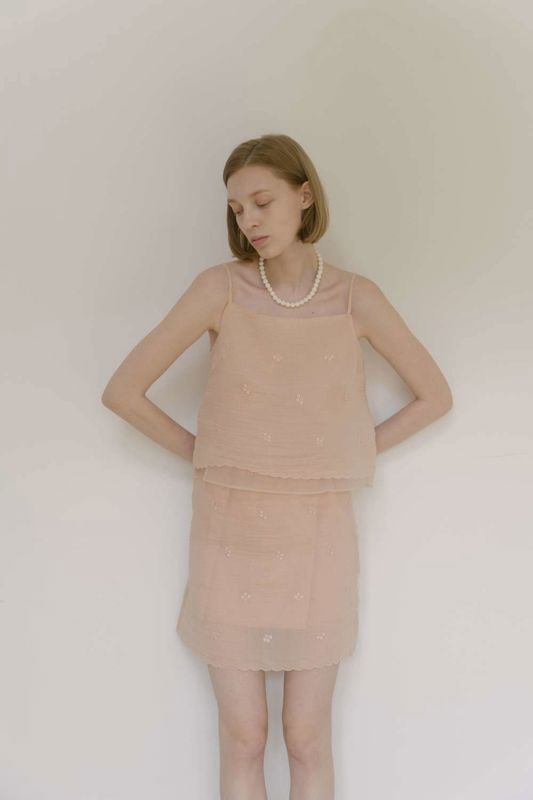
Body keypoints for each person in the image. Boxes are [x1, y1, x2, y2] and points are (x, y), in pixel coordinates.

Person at [101, 133, 453, 799]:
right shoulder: (219, 288)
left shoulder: (355, 298)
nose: (250, 221)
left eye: (262, 202)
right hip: (229, 532)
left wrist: (341, 455)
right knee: (243, 736)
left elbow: (434, 397)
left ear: (304, 195)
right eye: (237, 210)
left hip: (318, 536)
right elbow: (123, 392)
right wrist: (207, 456)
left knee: (305, 736)